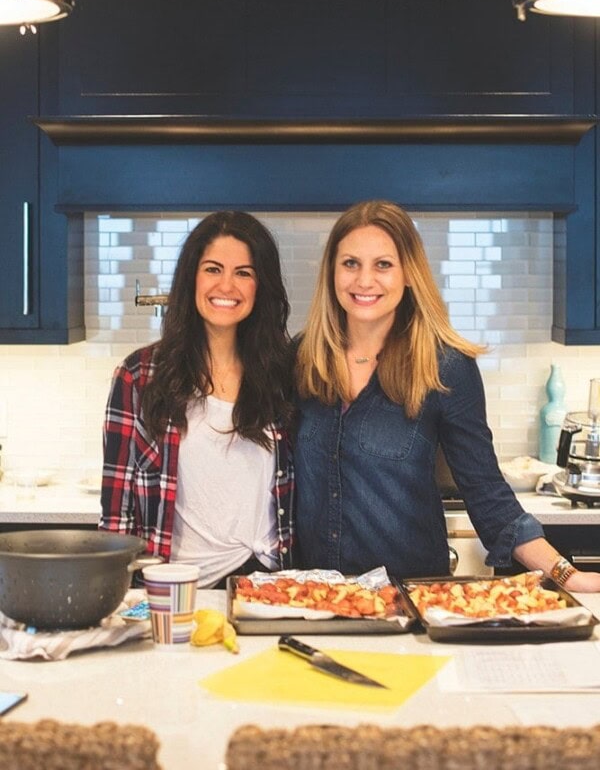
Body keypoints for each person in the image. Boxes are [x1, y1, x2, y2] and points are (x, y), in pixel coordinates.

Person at [293, 200, 600, 592]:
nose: (364, 280)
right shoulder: (301, 362)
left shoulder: (445, 367)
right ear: (331, 272)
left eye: (383, 264)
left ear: (409, 274)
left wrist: (566, 575)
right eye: (350, 263)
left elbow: (488, 495)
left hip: (412, 600)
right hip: (310, 600)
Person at [100, 211, 294, 588]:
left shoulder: (285, 376)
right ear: (191, 278)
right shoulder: (140, 376)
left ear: (261, 286)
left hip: (270, 588)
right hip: (178, 589)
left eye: (244, 273)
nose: (227, 285)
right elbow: (117, 515)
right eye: (212, 269)